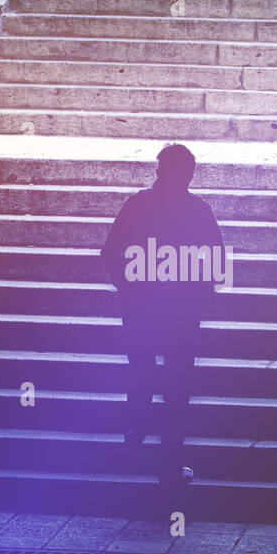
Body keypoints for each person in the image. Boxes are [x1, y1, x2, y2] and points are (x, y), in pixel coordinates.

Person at [101, 144, 226, 488]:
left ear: (159, 170)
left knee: (141, 370)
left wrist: (128, 289)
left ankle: (137, 427)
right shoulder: (198, 210)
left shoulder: (137, 205)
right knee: (177, 385)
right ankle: (169, 463)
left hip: (141, 306)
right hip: (181, 314)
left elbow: (111, 252)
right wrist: (198, 296)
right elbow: (215, 262)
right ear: (189, 174)